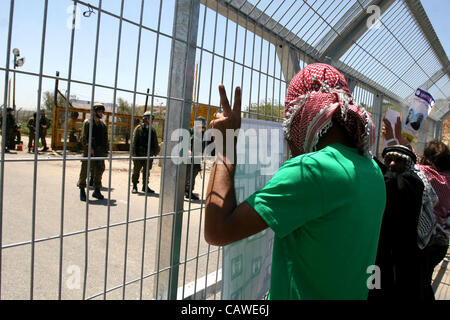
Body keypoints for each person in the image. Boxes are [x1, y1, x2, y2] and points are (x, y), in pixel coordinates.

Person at [205, 63, 386, 299]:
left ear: (301, 115)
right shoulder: (372, 169)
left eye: (288, 118)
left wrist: (225, 145)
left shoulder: (310, 170)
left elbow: (218, 230)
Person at [369, 145, 437, 300]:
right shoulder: (385, 180)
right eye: (389, 160)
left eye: (398, 161)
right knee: (374, 288)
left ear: (408, 164)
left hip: (406, 256)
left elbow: (394, 184)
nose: (392, 164)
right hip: (379, 254)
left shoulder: (413, 182)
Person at [417, 141, 450, 299]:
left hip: (425, 242)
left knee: (421, 283)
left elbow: (414, 167)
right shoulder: (447, 179)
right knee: (424, 279)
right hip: (442, 243)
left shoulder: (427, 174)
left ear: (428, 160)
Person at [77, 103, 108, 201]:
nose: (101, 113)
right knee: (85, 170)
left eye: (102, 112)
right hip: (88, 151)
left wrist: (105, 151)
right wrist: (89, 148)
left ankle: (97, 190)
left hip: (100, 151)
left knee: (100, 169)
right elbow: (84, 138)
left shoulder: (103, 125)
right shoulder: (88, 123)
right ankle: (82, 190)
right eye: (99, 111)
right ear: (94, 112)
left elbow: (105, 139)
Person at [131, 111, 160, 194]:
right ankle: (134, 186)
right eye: (149, 118)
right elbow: (134, 141)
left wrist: (155, 152)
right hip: (139, 154)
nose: (150, 120)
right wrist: (133, 152)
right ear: (145, 119)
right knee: (136, 170)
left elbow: (155, 142)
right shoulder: (138, 129)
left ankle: (145, 186)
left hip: (148, 154)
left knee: (146, 171)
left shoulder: (152, 130)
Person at [185, 116, 211, 201]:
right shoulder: (191, 131)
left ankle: (188, 190)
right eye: (202, 124)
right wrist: (188, 150)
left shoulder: (201, 133)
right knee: (189, 174)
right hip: (189, 158)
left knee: (194, 173)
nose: (203, 126)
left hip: (197, 158)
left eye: (203, 125)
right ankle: (188, 192)